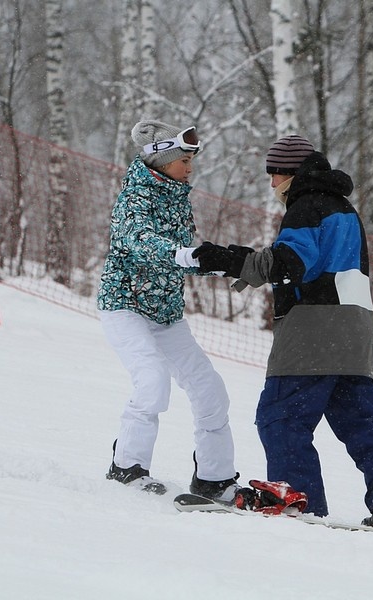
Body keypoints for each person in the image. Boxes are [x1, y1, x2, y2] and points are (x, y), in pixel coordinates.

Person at [191, 134, 373, 530]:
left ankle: (293, 492)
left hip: (314, 328)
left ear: (290, 173)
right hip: (356, 332)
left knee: (281, 416)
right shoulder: (344, 209)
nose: (271, 184)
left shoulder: (306, 206)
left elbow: (288, 264)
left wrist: (229, 260)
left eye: (274, 174)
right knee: (357, 420)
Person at [97, 119, 242, 502]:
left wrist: (217, 261)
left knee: (210, 391)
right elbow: (138, 240)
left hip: (166, 312)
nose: (190, 167)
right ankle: (127, 468)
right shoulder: (135, 196)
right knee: (152, 380)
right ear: (161, 159)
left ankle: (215, 479)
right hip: (124, 305)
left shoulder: (176, 195)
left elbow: (179, 257)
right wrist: (185, 254)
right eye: (184, 160)